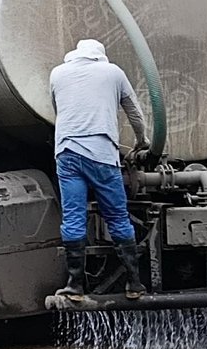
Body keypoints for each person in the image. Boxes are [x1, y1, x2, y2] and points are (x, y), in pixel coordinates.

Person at [50, 39, 150, 298]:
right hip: (102, 156)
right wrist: (142, 141)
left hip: (67, 154)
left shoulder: (57, 74)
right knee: (117, 217)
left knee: (73, 218)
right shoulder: (113, 72)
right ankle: (134, 284)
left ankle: (75, 285)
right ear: (100, 56)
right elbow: (134, 113)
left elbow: (58, 110)